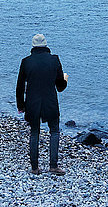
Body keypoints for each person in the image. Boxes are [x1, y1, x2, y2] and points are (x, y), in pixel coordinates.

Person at [16, 34, 69, 175]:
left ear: (33, 46)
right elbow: (60, 87)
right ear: (46, 45)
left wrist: (21, 106)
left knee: (34, 133)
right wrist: (65, 79)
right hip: (50, 102)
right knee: (54, 131)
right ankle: (53, 166)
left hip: (32, 103)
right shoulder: (54, 60)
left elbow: (20, 86)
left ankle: (34, 168)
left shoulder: (26, 62)